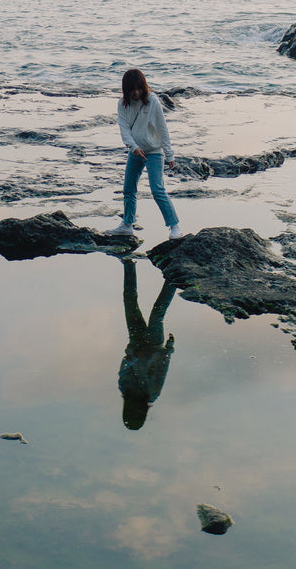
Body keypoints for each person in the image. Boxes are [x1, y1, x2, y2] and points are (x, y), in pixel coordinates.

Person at [108, 68, 184, 240]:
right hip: (135, 152)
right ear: (126, 89)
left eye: (139, 88)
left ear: (143, 87)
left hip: (154, 152)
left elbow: (162, 129)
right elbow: (124, 128)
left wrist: (169, 154)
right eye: (132, 89)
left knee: (157, 190)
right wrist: (133, 146)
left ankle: (174, 226)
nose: (136, 93)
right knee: (128, 189)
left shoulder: (152, 101)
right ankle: (127, 225)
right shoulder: (122, 104)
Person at [118, 258, 177, 430]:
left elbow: (124, 366)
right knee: (157, 313)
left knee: (129, 301)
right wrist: (169, 349)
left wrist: (133, 358)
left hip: (136, 343)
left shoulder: (125, 389)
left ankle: (129, 263)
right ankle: (173, 276)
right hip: (153, 346)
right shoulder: (152, 394)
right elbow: (162, 371)